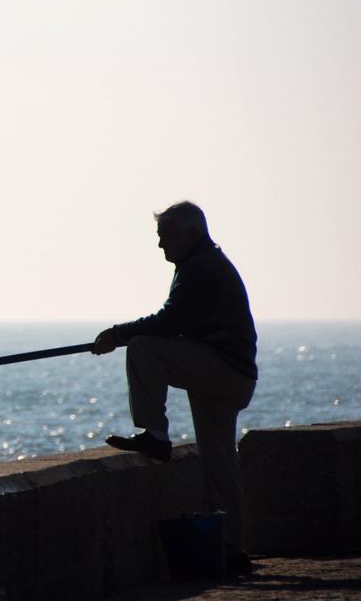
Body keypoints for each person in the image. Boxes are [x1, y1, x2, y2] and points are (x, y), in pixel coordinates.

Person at [91, 201, 258, 576]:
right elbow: (181, 321)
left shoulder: (200, 270)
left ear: (190, 233)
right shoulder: (205, 264)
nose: (160, 245)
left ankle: (154, 434)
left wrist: (118, 335)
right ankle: (232, 550)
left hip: (221, 370)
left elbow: (169, 321)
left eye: (165, 236)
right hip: (234, 375)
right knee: (220, 466)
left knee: (143, 348)